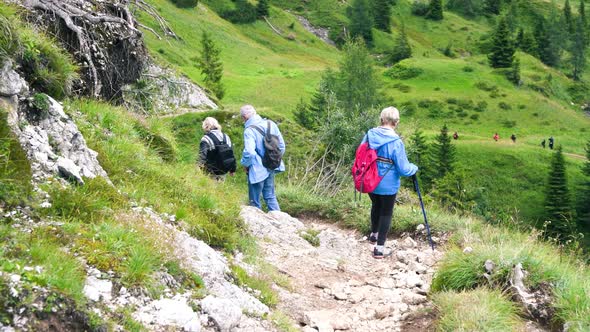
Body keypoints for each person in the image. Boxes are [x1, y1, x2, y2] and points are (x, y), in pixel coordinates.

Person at [362, 107, 418, 259]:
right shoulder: (396, 142)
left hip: (369, 180)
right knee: (386, 212)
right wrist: (414, 168)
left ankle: (373, 235)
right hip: (388, 184)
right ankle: (379, 248)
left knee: (376, 205)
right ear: (396, 122)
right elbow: (403, 169)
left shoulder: (369, 135)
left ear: (381, 119)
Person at [240, 105, 285, 211]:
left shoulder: (249, 130)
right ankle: (280, 221)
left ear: (245, 117)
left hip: (257, 169)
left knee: (254, 201)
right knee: (270, 196)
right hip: (271, 165)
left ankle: (256, 226)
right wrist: (274, 159)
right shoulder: (271, 124)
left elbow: (250, 153)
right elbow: (282, 147)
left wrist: (245, 164)